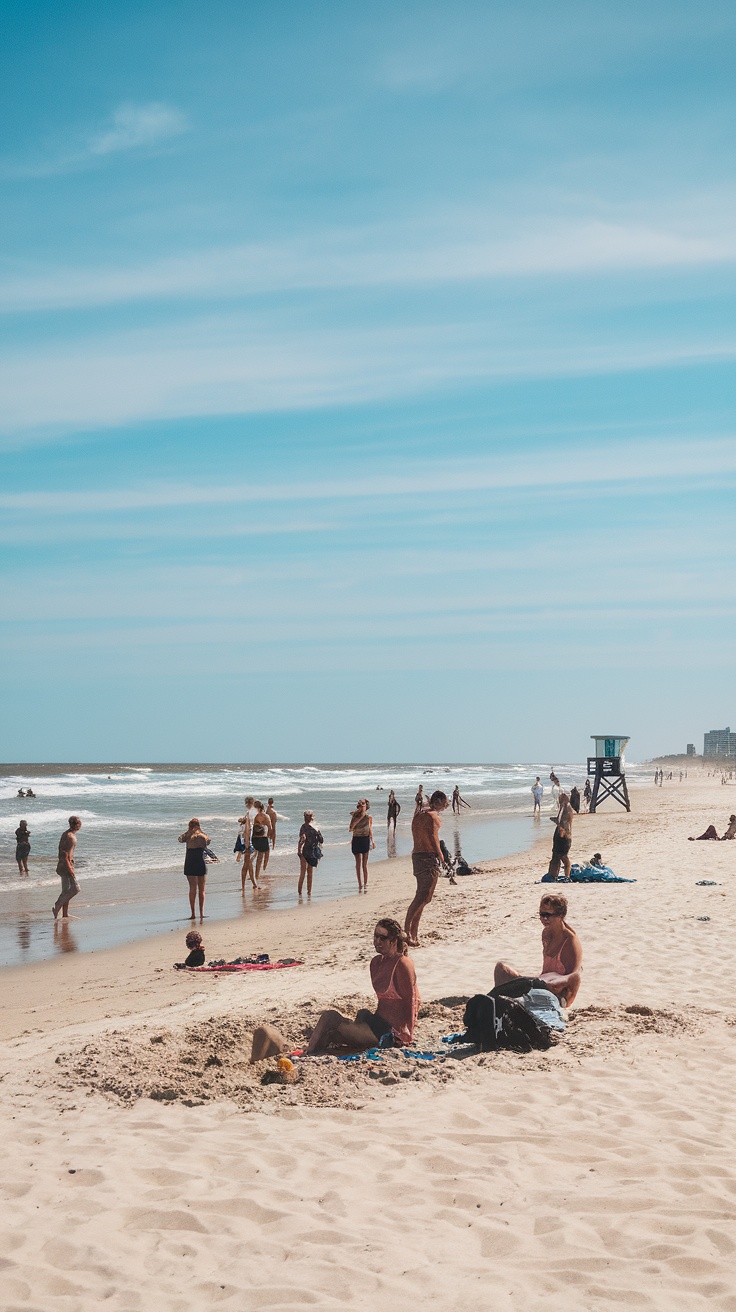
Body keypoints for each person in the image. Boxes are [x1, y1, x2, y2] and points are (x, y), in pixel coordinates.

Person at [305, 919, 419, 1054]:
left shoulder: (402, 964)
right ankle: (316, 1048)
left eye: (383, 938)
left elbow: (411, 1001)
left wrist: (406, 1035)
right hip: (376, 1022)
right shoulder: (376, 963)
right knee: (354, 1018)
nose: (377, 941)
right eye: (375, 936)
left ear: (393, 941)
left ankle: (307, 1053)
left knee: (329, 1017)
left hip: (390, 1032)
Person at [494, 893, 582, 1007]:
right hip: (542, 983)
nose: (544, 919)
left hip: (557, 992)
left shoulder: (570, 941)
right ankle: (499, 1000)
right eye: (542, 914)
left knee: (574, 977)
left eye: (548, 915)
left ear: (561, 916)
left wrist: (547, 984)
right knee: (501, 969)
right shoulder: (546, 933)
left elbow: (572, 980)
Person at [405, 789, 449, 946]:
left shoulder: (418, 815)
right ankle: (407, 930)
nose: (446, 806)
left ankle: (413, 933)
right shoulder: (433, 817)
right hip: (427, 857)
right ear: (438, 803)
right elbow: (433, 837)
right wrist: (441, 856)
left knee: (424, 897)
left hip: (417, 856)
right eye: (445, 804)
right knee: (423, 897)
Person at [178, 818, 209, 918]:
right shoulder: (201, 836)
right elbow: (208, 841)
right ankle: (201, 913)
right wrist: (199, 832)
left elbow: (179, 839)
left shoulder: (188, 836)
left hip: (189, 862)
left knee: (192, 888)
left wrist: (189, 832)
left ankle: (193, 914)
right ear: (198, 826)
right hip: (199, 861)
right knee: (202, 889)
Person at [53, 816, 82, 920]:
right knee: (75, 888)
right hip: (66, 864)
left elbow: (60, 851)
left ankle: (65, 913)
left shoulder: (65, 834)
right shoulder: (70, 837)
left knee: (66, 890)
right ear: (77, 825)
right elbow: (65, 855)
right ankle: (57, 905)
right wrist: (70, 869)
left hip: (62, 864)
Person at [547, 792, 574, 880]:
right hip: (567, 835)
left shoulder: (564, 806)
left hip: (562, 834)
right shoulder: (569, 807)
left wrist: (557, 823)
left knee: (559, 856)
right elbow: (565, 821)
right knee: (562, 856)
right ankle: (566, 875)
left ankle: (555, 875)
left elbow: (561, 821)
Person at [349, 798, 374, 891]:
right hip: (356, 839)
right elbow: (351, 829)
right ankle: (359, 884)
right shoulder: (354, 816)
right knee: (358, 864)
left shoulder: (369, 817)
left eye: (363, 805)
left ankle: (365, 883)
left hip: (365, 839)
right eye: (360, 805)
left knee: (364, 864)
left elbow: (370, 829)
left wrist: (372, 841)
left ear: (366, 806)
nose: (361, 807)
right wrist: (358, 819)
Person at [297, 810, 323, 898]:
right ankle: (309, 892)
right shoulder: (315, 828)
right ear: (312, 818)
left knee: (302, 873)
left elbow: (301, 839)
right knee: (310, 873)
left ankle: (299, 893)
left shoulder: (303, 827)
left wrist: (299, 851)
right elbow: (321, 840)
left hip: (304, 851)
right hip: (312, 852)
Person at [251, 801, 273, 883]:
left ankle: (255, 874)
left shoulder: (253, 816)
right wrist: (269, 837)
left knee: (255, 856)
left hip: (254, 838)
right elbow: (270, 828)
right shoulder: (265, 816)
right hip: (262, 838)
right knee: (260, 857)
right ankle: (257, 874)